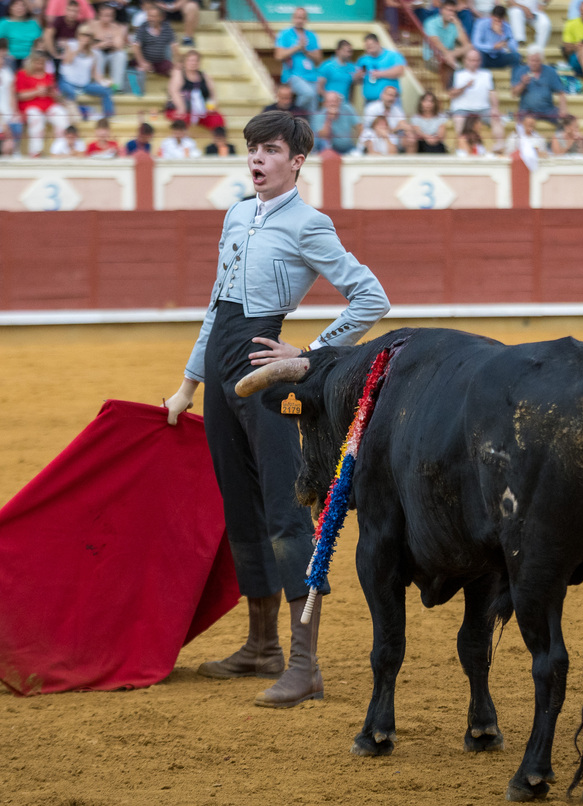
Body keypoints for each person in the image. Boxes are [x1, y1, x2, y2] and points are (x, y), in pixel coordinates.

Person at [164, 109, 389, 709]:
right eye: (251, 149)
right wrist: (189, 383)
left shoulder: (310, 224)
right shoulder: (237, 213)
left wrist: (310, 355)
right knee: (240, 508)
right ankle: (261, 645)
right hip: (220, 374)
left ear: (297, 161)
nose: (256, 159)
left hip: (266, 378)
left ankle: (304, 663)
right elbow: (216, 308)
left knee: (288, 514)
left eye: (269, 150)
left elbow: (372, 298)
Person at [448, 47, 505, 148]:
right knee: (459, 120)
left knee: (496, 119)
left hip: (483, 108)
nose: (474, 63)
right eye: (471, 60)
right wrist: (465, 87)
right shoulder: (456, 74)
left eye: (477, 60)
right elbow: (451, 94)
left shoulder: (487, 74)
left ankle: (499, 147)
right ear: (465, 60)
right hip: (461, 109)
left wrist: (495, 108)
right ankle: (463, 148)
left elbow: (492, 93)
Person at [16, 50, 68, 156]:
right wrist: (36, 92)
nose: (40, 65)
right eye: (37, 62)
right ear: (32, 62)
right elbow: (20, 95)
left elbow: (55, 95)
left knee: (62, 114)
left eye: (42, 63)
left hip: (48, 105)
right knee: (36, 118)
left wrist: (52, 93)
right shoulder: (22, 74)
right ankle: (35, 151)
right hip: (31, 107)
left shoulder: (48, 75)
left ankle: (60, 149)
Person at [58, 24, 114, 120]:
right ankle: (84, 112)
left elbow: (95, 74)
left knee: (107, 91)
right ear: (78, 35)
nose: (85, 37)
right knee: (70, 92)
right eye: (83, 34)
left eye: (88, 35)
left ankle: (109, 118)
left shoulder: (94, 53)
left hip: (83, 84)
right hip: (68, 81)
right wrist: (79, 47)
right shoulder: (71, 45)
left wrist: (104, 82)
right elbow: (67, 61)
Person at [274, 6, 320, 113]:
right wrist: (297, 47)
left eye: (302, 18)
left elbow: (318, 58)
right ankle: (292, 112)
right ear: (293, 18)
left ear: (306, 19)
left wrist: (305, 50)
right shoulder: (285, 34)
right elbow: (278, 56)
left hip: (311, 76)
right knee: (308, 94)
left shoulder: (311, 35)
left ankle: (308, 128)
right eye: (297, 17)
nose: (300, 20)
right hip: (293, 75)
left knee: (312, 109)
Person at [167, 49, 224, 129]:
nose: (193, 63)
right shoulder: (179, 73)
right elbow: (174, 91)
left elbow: (212, 94)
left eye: (196, 61)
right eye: (190, 60)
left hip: (201, 110)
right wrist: (181, 108)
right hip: (181, 109)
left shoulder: (204, 75)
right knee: (181, 119)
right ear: (185, 62)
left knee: (217, 118)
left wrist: (211, 107)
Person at [422, 1, 471, 89]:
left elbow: (466, 44)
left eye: (453, 11)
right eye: (449, 10)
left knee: (471, 50)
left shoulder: (453, 25)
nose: (451, 14)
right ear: (441, 11)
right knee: (447, 64)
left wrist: (458, 24)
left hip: (450, 56)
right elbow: (436, 42)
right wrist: (447, 55)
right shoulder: (431, 23)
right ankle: (448, 92)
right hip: (432, 57)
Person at [130, 2, 177, 95]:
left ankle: (173, 94)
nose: (150, 19)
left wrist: (177, 62)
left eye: (153, 16)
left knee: (176, 71)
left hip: (159, 62)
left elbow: (174, 46)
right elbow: (136, 47)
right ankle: (137, 94)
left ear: (161, 17)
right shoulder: (143, 27)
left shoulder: (167, 27)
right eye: (149, 16)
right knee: (136, 69)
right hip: (144, 61)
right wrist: (142, 62)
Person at [512, 44, 565, 122]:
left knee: (567, 120)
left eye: (537, 60)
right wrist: (522, 83)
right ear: (527, 59)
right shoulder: (521, 71)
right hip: (527, 111)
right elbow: (514, 94)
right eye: (531, 60)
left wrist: (563, 110)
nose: (534, 63)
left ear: (542, 60)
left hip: (548, 110)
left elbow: (561, 93)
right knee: (522, 119)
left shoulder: (550, 72)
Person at [89, 3, 129, 92]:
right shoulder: (92, 25)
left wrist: (110, 43)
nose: (107, 18)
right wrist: (100, 45)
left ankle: (117, 87)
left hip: (111, 52)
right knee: (96, 53)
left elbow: (119, 45)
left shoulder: (117, 27)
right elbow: (87, 44)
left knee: (121, 55)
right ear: (99, 15)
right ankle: (99, 84)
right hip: (98, 53)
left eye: (110, 16)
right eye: (105, 15)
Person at [356, 33, 407, 104]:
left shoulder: (392, 55)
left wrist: (380, 74)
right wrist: (358, 76)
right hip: (370, 101)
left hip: (391, 101)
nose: (369, 48)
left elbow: (400, 71)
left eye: (370, 45)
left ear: (378, 43)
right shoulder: (362, 59)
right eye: (367, 46)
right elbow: (357, 81)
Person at [310, 89, 359, 154]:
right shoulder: (318, 115)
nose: (332, 104)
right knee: (323, 144)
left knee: (357, 154)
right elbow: (323, 136)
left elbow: (359, 126)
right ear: (324, 103)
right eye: (329, 102)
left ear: (340, 101)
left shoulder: (347, 109)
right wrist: (329, 119)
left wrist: (358, 143)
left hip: (347, 147)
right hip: (327, 148)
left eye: (335, 101)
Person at [316, 38, 360, 103]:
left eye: (350, 52)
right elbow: (319, 88)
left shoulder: (352, 67)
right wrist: (330, 98)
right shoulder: (327, 66)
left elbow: (356, 82)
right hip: (329, 104)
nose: (349, 54)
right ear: (338, 51)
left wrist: (359, 76)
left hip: (345, 104)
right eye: (346, 51)